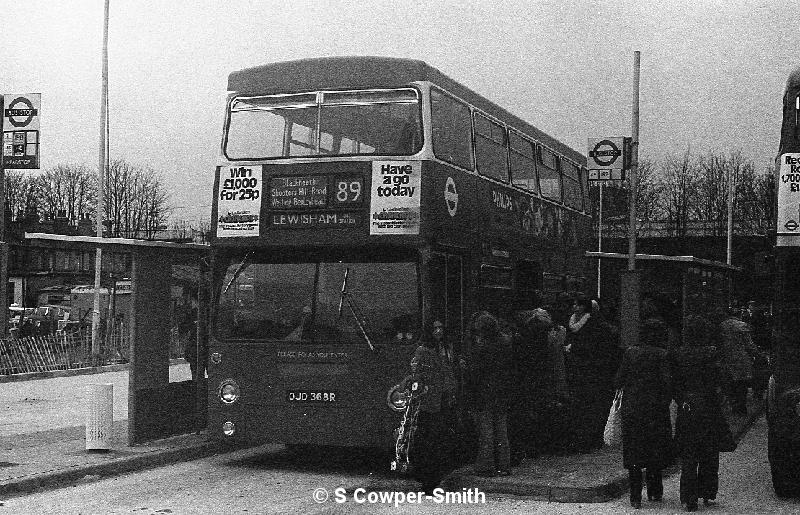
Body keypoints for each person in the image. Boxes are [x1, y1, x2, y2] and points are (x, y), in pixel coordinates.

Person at [614, 318, 673, 509]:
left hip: (632, 407)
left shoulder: (630, 353)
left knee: (634, 452)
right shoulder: (662, 355)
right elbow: (667, 383)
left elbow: (618, 380)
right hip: (655, 409)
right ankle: (655, 491)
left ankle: (635, 496)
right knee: (654, 449)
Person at [670, 315, 725, 512]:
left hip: (687, 407)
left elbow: (674, 382)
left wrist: (682, 399)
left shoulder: (678, 354)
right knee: (709, 452)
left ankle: (688, 497)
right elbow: (718, 379)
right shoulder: (711, 353)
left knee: (689, 454)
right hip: (708, 406)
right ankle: (708, 491)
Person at [407, 319, 454, 494]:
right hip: (428, 402)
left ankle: (431, 478)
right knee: (429, 441)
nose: (438, 331)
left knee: (434, 441)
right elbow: (417, 374)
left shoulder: (444, 347)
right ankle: (429, 480)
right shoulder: (424, 351)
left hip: (440, 399)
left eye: (441, 327)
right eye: (435, 328)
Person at [465, 311, 513, 476]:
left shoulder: (483, 346)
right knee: (502, 431)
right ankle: (504, 465)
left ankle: (486, 465)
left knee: (486, 432)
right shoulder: (506, 341)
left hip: (485, 393)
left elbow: (476, 370)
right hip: (502, 392)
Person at [565, 295, 613, 451]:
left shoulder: (591, 325)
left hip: (587, 370)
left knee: (586, 406)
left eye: (578, 305)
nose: (575, 307)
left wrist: (574, 348)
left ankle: (587, 439)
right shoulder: (574, 322)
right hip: (582, 369)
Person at [717, 307, 757, 416]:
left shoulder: (721, 326)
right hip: (741, 359)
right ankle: (741, 408)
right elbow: (749, 344)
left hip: (726, 358)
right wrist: (756, 353)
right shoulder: (742, 325)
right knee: (741, 384)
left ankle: (733, 405)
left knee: (730, 383)